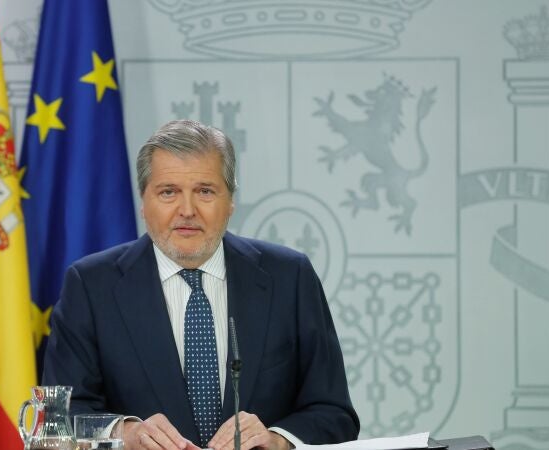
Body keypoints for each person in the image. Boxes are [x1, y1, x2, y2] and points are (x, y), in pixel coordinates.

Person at [42, 120, 359, 450]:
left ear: (230, 201)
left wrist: (277, 440)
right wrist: (126, 434)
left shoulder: (289, 277)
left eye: (205, 191)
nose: (187, 211)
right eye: (168, 192)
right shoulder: (91, 286)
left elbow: (335, 414)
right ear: (143, 202)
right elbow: (59, 418)